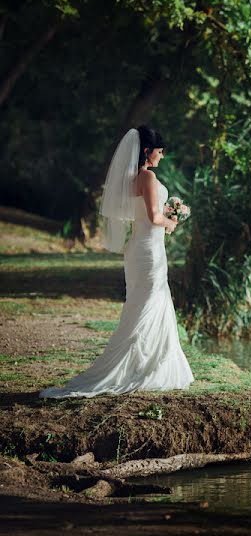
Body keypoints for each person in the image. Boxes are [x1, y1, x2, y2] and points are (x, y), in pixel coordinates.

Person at [40, 126, 194, 398]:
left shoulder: (131, 179)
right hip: (148, 250)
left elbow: (141, 215)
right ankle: (141, 365)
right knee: (148, 301)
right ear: (147, 151)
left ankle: (143, 361)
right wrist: (171, 221)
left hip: (139, 248)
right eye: (159, 151)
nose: (162, 156)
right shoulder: (147, 177)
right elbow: (153, 217)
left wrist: (166, 216)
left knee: (141, 302)